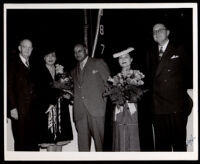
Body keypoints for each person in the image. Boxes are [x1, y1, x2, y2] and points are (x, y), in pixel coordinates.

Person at [145, 23, 193, 151]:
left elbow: (191, 72)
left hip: (176, 106)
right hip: (158, 107)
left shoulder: (179, 48)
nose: (157, 33)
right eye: (154, 31)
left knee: (178, 145)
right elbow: (149, 78)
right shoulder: (150, 52)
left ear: (168, 32)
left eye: (160, 30)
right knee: (162, 146)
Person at [71, 43, 110, 151]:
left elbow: (109, 85)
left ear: (86, 50)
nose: (77, 54)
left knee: (101, 145)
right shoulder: (73, 71)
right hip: (80, 114)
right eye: (75, 52)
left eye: (80, 51)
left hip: (97, 111)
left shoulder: (98, 63)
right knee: (83, 148)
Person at [35, 48, 73, 151]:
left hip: (61, 108)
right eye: (48, 55)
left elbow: (68, 87)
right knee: (50, 140)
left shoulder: (60, 70)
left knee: (59, 140)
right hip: (47, 107)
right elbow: (39, 91)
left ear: (56, 58)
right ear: (44, 58)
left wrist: (68, 95)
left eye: (53, 55)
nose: (50, 58)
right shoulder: (39, 71)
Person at [7, 38, 39, 151]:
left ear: (32, 50)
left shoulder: (34, 65)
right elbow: (8, 87)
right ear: (19, 48)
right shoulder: (12, 64)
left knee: (33, 143)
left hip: (33, 112)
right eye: (25, 47)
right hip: (19, 111)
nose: (27, 49)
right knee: (21, 143)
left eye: (30, 47)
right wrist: (12, 107)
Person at [109, 47, 141, 151]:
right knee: (119, 136)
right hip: (119, 112)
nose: (123, 59)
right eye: (120, 58)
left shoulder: (138, 75)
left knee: (133, 136)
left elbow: (141, 95)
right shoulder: (115, 77)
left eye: (126, 57)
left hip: (133, 112)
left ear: (131, 59)